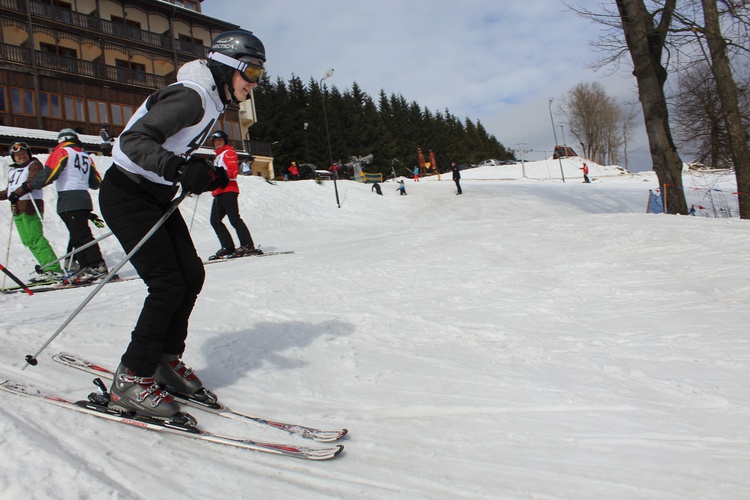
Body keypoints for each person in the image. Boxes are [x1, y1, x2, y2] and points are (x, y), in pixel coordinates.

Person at [98, 29, 263, 419]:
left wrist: (202, 173)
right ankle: (131, 378)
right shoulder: (192, 96)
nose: (255, 84)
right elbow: (131, 141)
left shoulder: (209, 98)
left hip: (151, 194)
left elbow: (175, 150)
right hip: (127, 193)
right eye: (251, 73)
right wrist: (177, 168)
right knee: (167, 284)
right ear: (227, 68)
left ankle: (162, 360)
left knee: (190, 274)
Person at [12, 129, 108, 282]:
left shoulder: (62, 151)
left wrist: (28, 187)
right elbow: (96, 182)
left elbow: (49, 174)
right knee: (76, 233)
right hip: (83, 197)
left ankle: (97, 265)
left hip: (68, 197)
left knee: (81, 234)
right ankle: (83, 265)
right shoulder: (85, 155)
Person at [0, 141, 63, 280]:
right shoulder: (13, 170)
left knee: (36, 238)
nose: (21, 156)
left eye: (23, 153)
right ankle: (47, 268)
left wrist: (17, 193)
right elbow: (10, 190)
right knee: (28, 240)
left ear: (28, 154)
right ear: (13, 157)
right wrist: (7, 194)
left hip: (30, 206)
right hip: (17, 209)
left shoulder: (34, 165)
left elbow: (32, 182)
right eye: (17, 155)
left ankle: (53, 269)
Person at [207, 129, 261, 260]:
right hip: (219, 192)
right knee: (215, 220)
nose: (217, 143)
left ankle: (247, 245)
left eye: (219, 140)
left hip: (228, 190)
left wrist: (219, 176)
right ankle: (228, 246)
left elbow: (233, 172)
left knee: (234, 218)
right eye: (215, 141)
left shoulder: (229, 153)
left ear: (225, 141)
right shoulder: (218, 156)